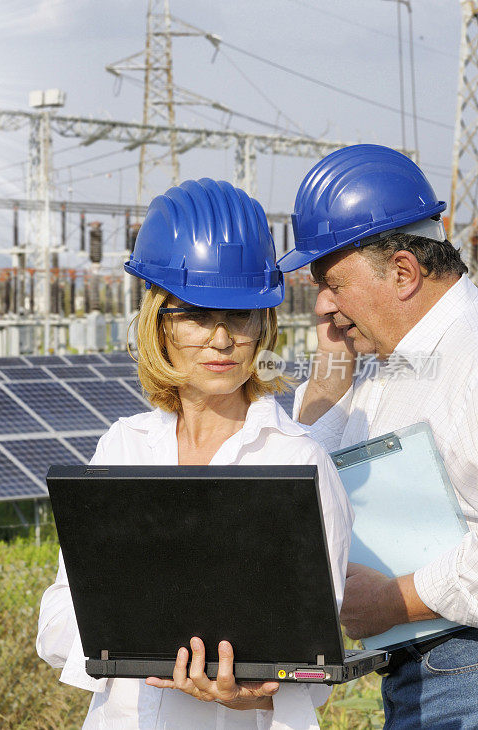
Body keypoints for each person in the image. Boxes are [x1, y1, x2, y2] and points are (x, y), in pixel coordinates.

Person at [36, 178, 353, 730]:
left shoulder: (298, 463)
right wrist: (139, 644)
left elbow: (312, 669)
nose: (222, 339)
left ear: (265, 325)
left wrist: (246, 694)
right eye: (197, 315)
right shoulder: (124, 446)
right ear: (158, 324)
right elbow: (58, 619)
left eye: (241, 315)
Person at [279, 143, 478, 729]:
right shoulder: (387, 364)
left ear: (402, 271)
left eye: (333, 282)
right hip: (423, 675)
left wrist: (398, 600)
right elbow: (305, 474)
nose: (322, 303)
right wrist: (331, 359)